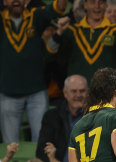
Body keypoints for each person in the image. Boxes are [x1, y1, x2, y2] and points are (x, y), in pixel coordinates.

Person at [0, 0, 67, 143]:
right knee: (9, 145)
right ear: (5, 1)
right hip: (7, 91)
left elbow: (59, 8)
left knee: (42, 141)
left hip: (36, 91)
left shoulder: (35, 16)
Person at [47, 0, 116, 83]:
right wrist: (58, 33)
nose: (97, 6)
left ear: (106, 5)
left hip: (107, 91)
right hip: (78, 91)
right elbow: (51, 55)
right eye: (93, 2)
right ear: (85, 5)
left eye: (101, 2)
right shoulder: (72, 31)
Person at [36, 75, 88, 162]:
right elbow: (42, 150)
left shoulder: (97, 116)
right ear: (65, 93)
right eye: (73, 91)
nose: (78, 95)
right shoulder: (51, 116)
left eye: (82, 91)